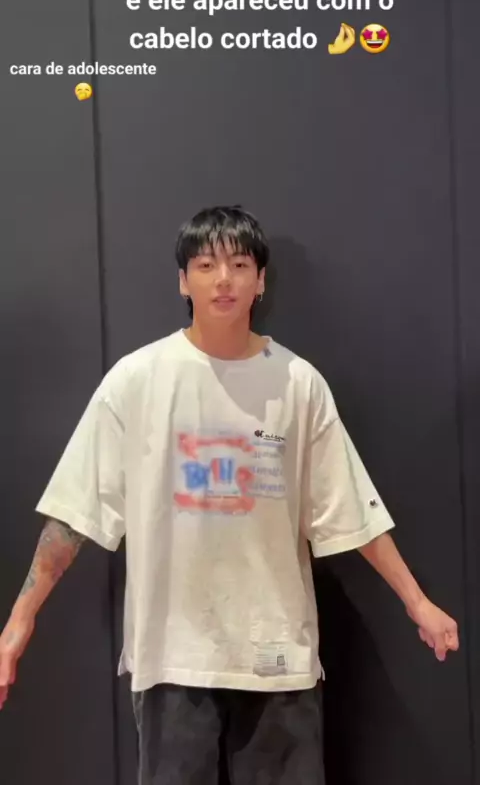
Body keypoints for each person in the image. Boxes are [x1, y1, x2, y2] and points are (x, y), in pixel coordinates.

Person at [0, 205, 458, 784]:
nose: (223, 279)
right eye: (206, 265)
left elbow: (347, 508)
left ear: (260, 280)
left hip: (277, 656)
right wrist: (19, 620)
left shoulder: (298, 383)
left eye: (239, 265)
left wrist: (417, 602)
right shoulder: (136, 380)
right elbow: (75, 513)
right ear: (182, 280)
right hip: (173, 656)